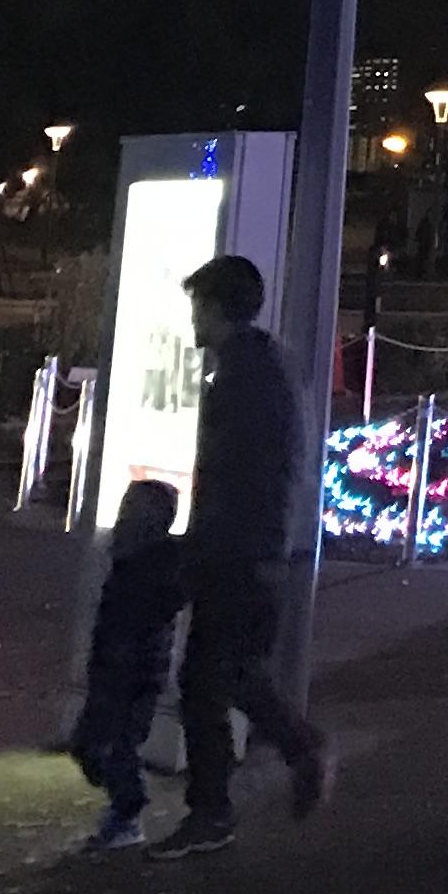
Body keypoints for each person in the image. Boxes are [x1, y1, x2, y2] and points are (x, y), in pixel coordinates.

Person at [153, 254, 329, 854]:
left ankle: (215, 809)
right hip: (256, 550)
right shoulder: (263, 367)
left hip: (236, 553)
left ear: (216, 308)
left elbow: (231, 477)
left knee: (205, 680)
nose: (193, 320)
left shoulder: (242, 380)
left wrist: (199, 550)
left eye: (198, 306)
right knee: (234, 673)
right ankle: (293, 752)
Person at [66, 477, 188, 852]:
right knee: (100, 744)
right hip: (119, 669)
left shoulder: (148, 563)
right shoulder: (136, 559)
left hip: (131, 673)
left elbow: (138, 619)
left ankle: (126, 813)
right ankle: (125, 809)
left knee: (112, 745)